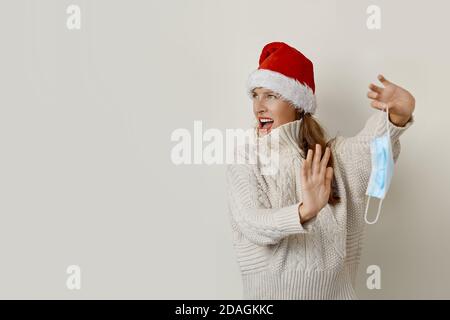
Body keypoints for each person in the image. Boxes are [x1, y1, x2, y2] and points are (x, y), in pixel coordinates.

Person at [225, 41, 415, 299]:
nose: (259, 106)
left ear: (297, 104)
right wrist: (304, 211)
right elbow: (252, 223)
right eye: (256, 95)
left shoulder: (334, 157)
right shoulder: (245, 159)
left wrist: (396, 117)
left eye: (271, 95)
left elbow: (375, 153)